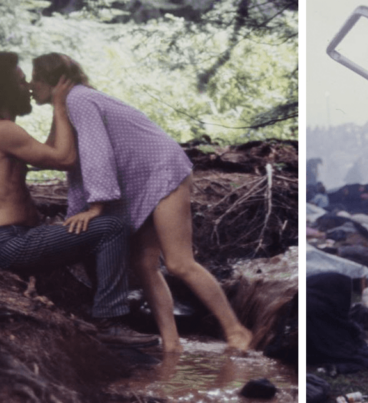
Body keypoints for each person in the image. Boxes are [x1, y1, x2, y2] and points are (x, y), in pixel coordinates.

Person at [30, 53, 252, 353]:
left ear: (53, 81)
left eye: (35, 79)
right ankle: (172, 345)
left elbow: (98, 152)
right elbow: (54, 154)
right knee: (143, 264)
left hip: (161, 170)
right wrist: (54, 110)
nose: (31, 86)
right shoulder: (68, 105)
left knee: (178, 263)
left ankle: (237, 331)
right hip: (139, 180)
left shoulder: (79, 101)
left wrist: (96, 206)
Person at [0, 52, 159, 347]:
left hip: (16, 238)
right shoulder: (1, 131)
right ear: (4, 89)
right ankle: (109, 319)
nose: (30, 87)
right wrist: (59, 105)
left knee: (89, 224)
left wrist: (61, 109)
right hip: (9, 244)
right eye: (22, 82)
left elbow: (47, 154)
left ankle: (104, 307)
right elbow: (66, 158)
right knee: (111, 227)